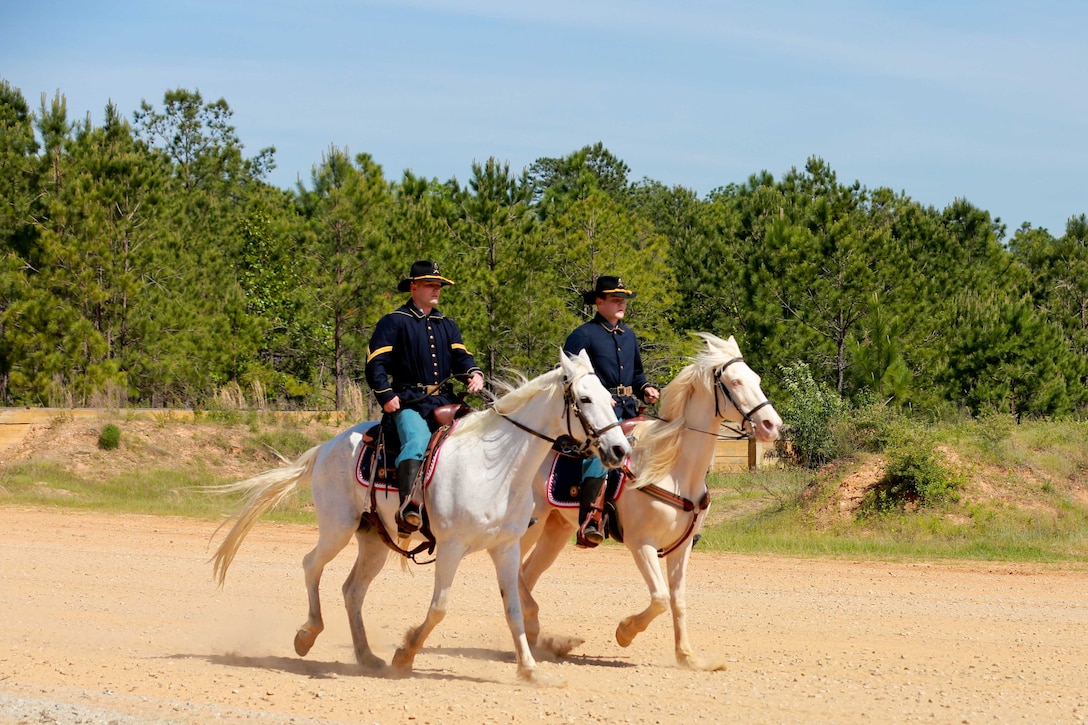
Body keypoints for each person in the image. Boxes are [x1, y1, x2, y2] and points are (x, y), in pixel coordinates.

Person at [365, 260, 485, 532]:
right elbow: (376, 363)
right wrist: (386, 395)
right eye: (430, 284)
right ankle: (409, 506)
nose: (436, 289)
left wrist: (473, 374)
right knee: (417, 440)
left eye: (438, 285)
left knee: (485, 436)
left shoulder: (446, 323)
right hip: (409, 402)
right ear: (413, 287)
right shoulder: (394, 321)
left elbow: (462, 357)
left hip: (446, 402)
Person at [564, 275, 660, 545]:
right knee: (599, 456)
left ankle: (662, 517)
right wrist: (601, 397)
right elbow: (569, 376)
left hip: (630, 410)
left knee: (659, 445)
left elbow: (637, 374)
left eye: (624, 300)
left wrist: (645, 388)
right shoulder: (583, 335)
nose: (621, 304)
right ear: (599, 302)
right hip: (597, 415)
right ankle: (590, 520)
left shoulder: (627, 335)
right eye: (615, 300)